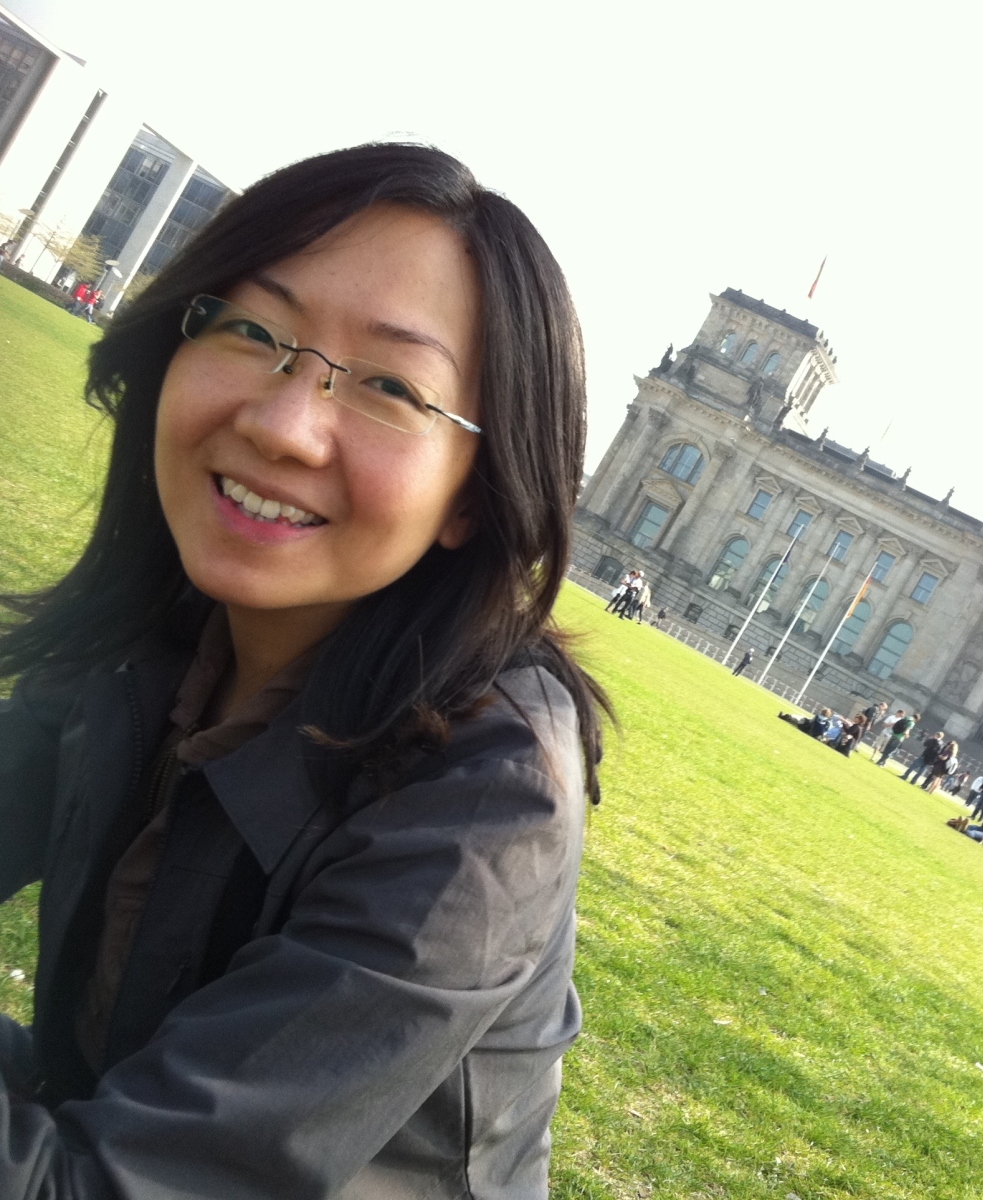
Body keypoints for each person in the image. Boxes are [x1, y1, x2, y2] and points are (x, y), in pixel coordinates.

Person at [0, 143, 612, 1198]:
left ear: (475, 496)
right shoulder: (162, 629)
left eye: (391, 387)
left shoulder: (491, 793)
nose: (283, 426)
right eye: (251, 331)